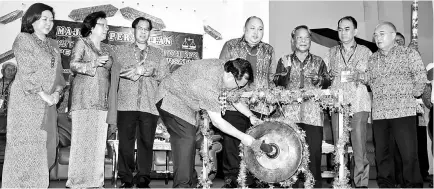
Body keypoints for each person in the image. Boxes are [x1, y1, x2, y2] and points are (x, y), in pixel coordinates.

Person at [156, 58, 264, 188]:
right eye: (238, 85)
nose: (239, 89)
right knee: (185, 140)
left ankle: (192, 182)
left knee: (189, 143)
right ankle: (182, 185)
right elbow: (218, 122)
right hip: (170, 99)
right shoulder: (209, 86)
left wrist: (250, 115)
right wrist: (245, 138)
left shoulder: (225, 68)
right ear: (230, 75)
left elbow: (233, 97)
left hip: (186, 104)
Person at [1, 3, 66, 188]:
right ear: (32, 19)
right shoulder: (23, 39)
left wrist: (56, 93)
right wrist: (43, 94)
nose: (48, 23)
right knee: (23, 147)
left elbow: (60, 75)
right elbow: (27, 72)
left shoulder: (53, 45)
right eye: (44, 19)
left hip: (47, 104)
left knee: (40, 148)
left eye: (51, 19)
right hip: (26, 102)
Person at [357, 22, 427, 188]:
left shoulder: (409, 53)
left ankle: (413, 185)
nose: (377, 38)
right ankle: (386, 185)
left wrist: (411, 94)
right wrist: (359, 77)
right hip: (380, 113)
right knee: (383, 154)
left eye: (381, 34)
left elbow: (420, 76)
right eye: (375, 35)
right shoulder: (372, 59)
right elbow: (370, 80)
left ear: (394, 35)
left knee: (408, 154)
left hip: (403, 111)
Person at [110, 17, 170, 188]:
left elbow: (165, 78)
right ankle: (126, 177)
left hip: (149, 105)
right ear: (133, 30)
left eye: (146, 29)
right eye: (140, 28)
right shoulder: (120, 51)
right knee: (126, 144)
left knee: (146, 143)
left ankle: (143, 177)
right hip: (125, 104)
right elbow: (114, 72)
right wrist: (133, 71)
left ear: (150, 32)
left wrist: (150, 71)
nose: (143, 31)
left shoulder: (158, 54)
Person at [219, 16, 276, 188]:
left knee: (258, 141)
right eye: (252, 28)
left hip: (260, 105)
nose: (256, 32)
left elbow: (271, 77)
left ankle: (258, 178)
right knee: (232, 142)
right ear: (244, 29)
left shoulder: (268, 50)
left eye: (260, 29)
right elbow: (222, 73)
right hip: (233, 103)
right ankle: (232, 179)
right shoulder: (230, 45)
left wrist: (271, 97)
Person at [66, 11, 119, 188]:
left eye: (107, 25)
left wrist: (134, 72)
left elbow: (115, 73)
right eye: (103, 25)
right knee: (81, 143)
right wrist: (93, 64)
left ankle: (96, 183)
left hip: (102, 102)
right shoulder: (82, 43)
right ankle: (76, 183)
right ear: (92, 27)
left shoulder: (107, 49)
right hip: (83, 100)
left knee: (97, 146)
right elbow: (73, 65)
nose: (107, 28)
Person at [274, 25, 330, 188]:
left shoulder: (319, 61)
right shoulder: (284, 60)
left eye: (307, 38)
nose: (303, 41)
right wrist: (287, 71)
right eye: (300, 37)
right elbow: (277, 84)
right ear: (293, 41)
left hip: (312, 114)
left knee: (313, 152)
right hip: (290, 114)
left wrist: (318, 80)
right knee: (290, 152)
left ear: (310, 41)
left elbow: (327, 83)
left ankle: (313, 184)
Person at [323, 16, 372, 188]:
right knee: (339, 146)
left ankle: (361, 183)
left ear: (355, 31)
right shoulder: (331, 52)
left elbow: (373, 78)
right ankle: (341, 180)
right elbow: (325, 78)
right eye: (340, 29)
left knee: (359, 148)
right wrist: (324, 78)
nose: (343, 33)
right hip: (338, 105)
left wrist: (361, 76)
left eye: (347, 29)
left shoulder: (365, 51)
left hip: (358, 104)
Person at [0, 62, 17, 132]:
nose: (11, 72)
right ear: (2, 71)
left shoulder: (19, 84)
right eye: (8, 69)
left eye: (13, 70)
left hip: (14, 115)